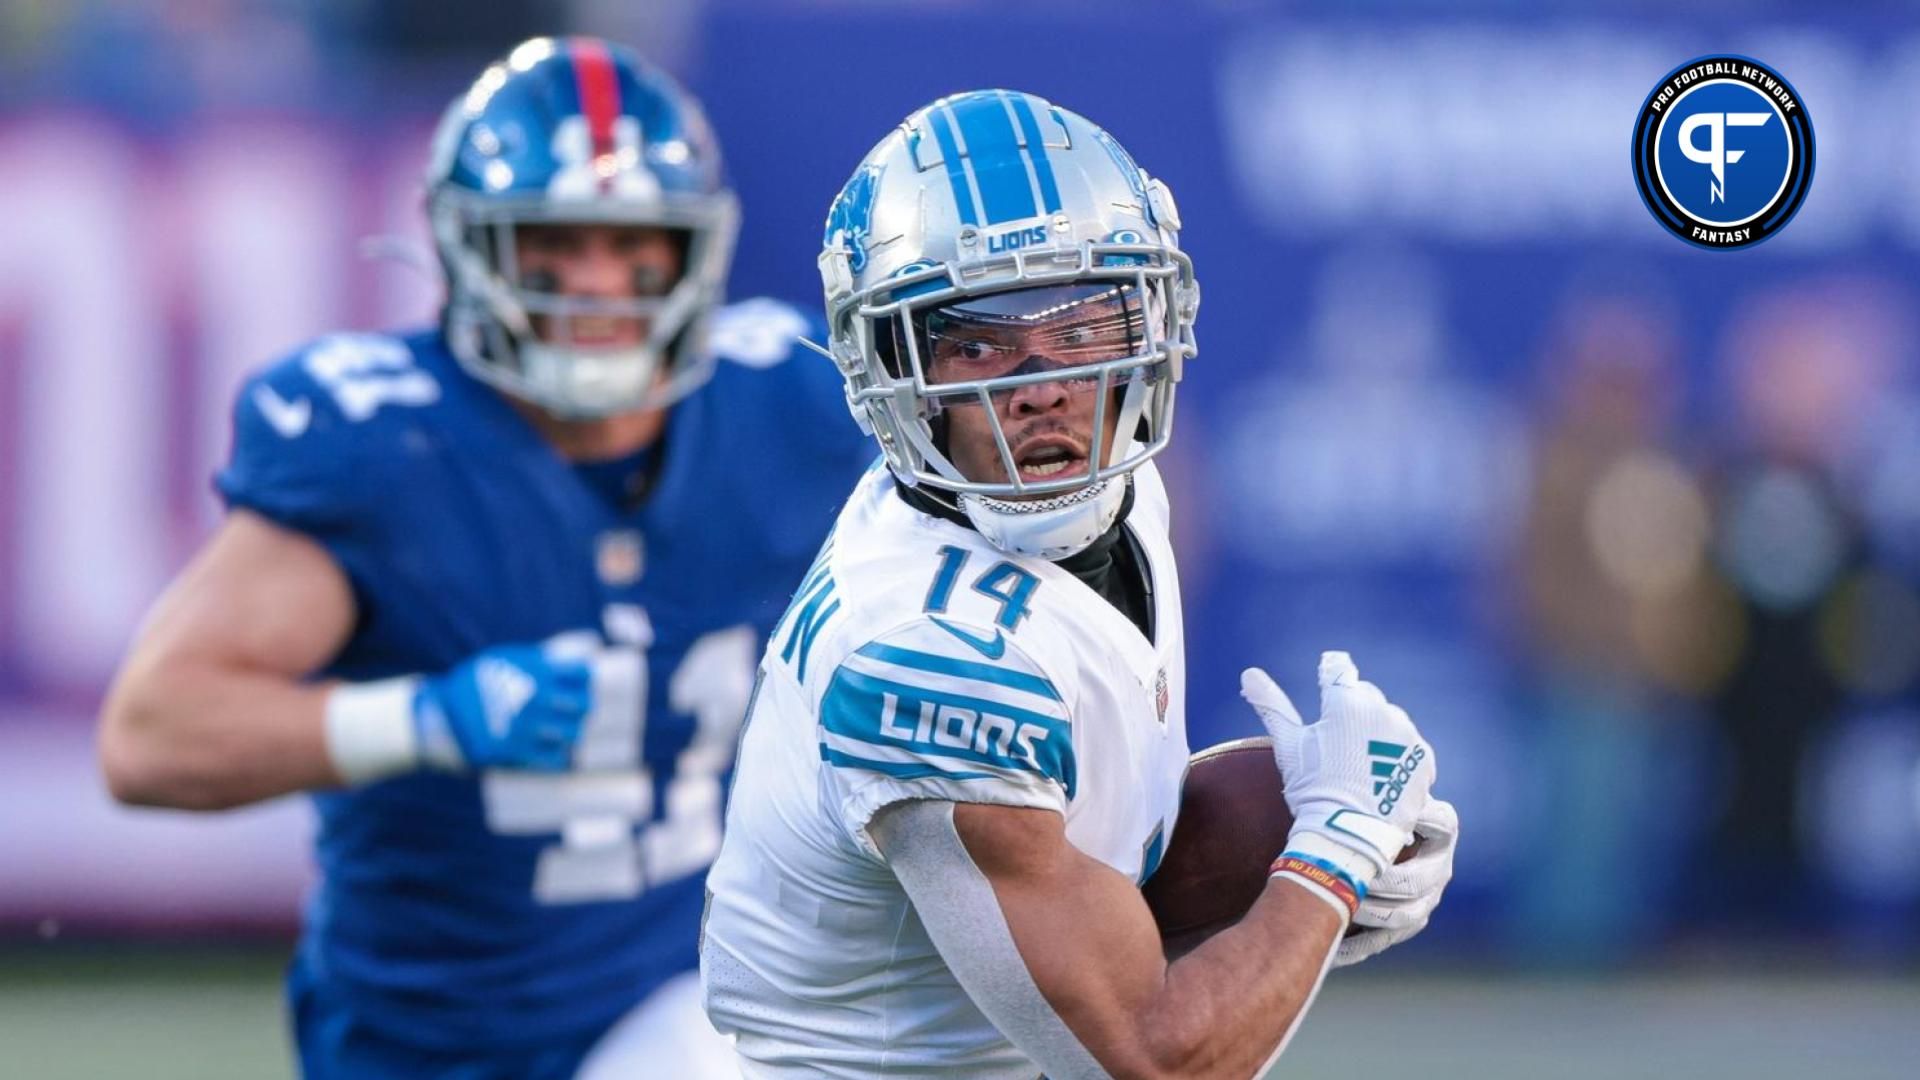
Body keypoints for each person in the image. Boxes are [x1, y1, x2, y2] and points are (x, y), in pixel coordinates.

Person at [97, 36, 873, 1080]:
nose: (597, 285)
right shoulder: (389, 447)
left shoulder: (788, 402)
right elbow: (151, 737)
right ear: (469, 250)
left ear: (693, 251)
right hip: (431, 1042)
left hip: (694, 1000)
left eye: (631, 242)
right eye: (553, 243)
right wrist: (429, 719)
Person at [700, 89, 1461, 1078]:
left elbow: (1097, 824)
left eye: (1083, 324)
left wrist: (1323, 811)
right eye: (977, 342)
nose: (1044, 384)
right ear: (887, 366)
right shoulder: (926, 660)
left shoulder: (1121, 487)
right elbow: (1153, 1065)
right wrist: (1327, 863)